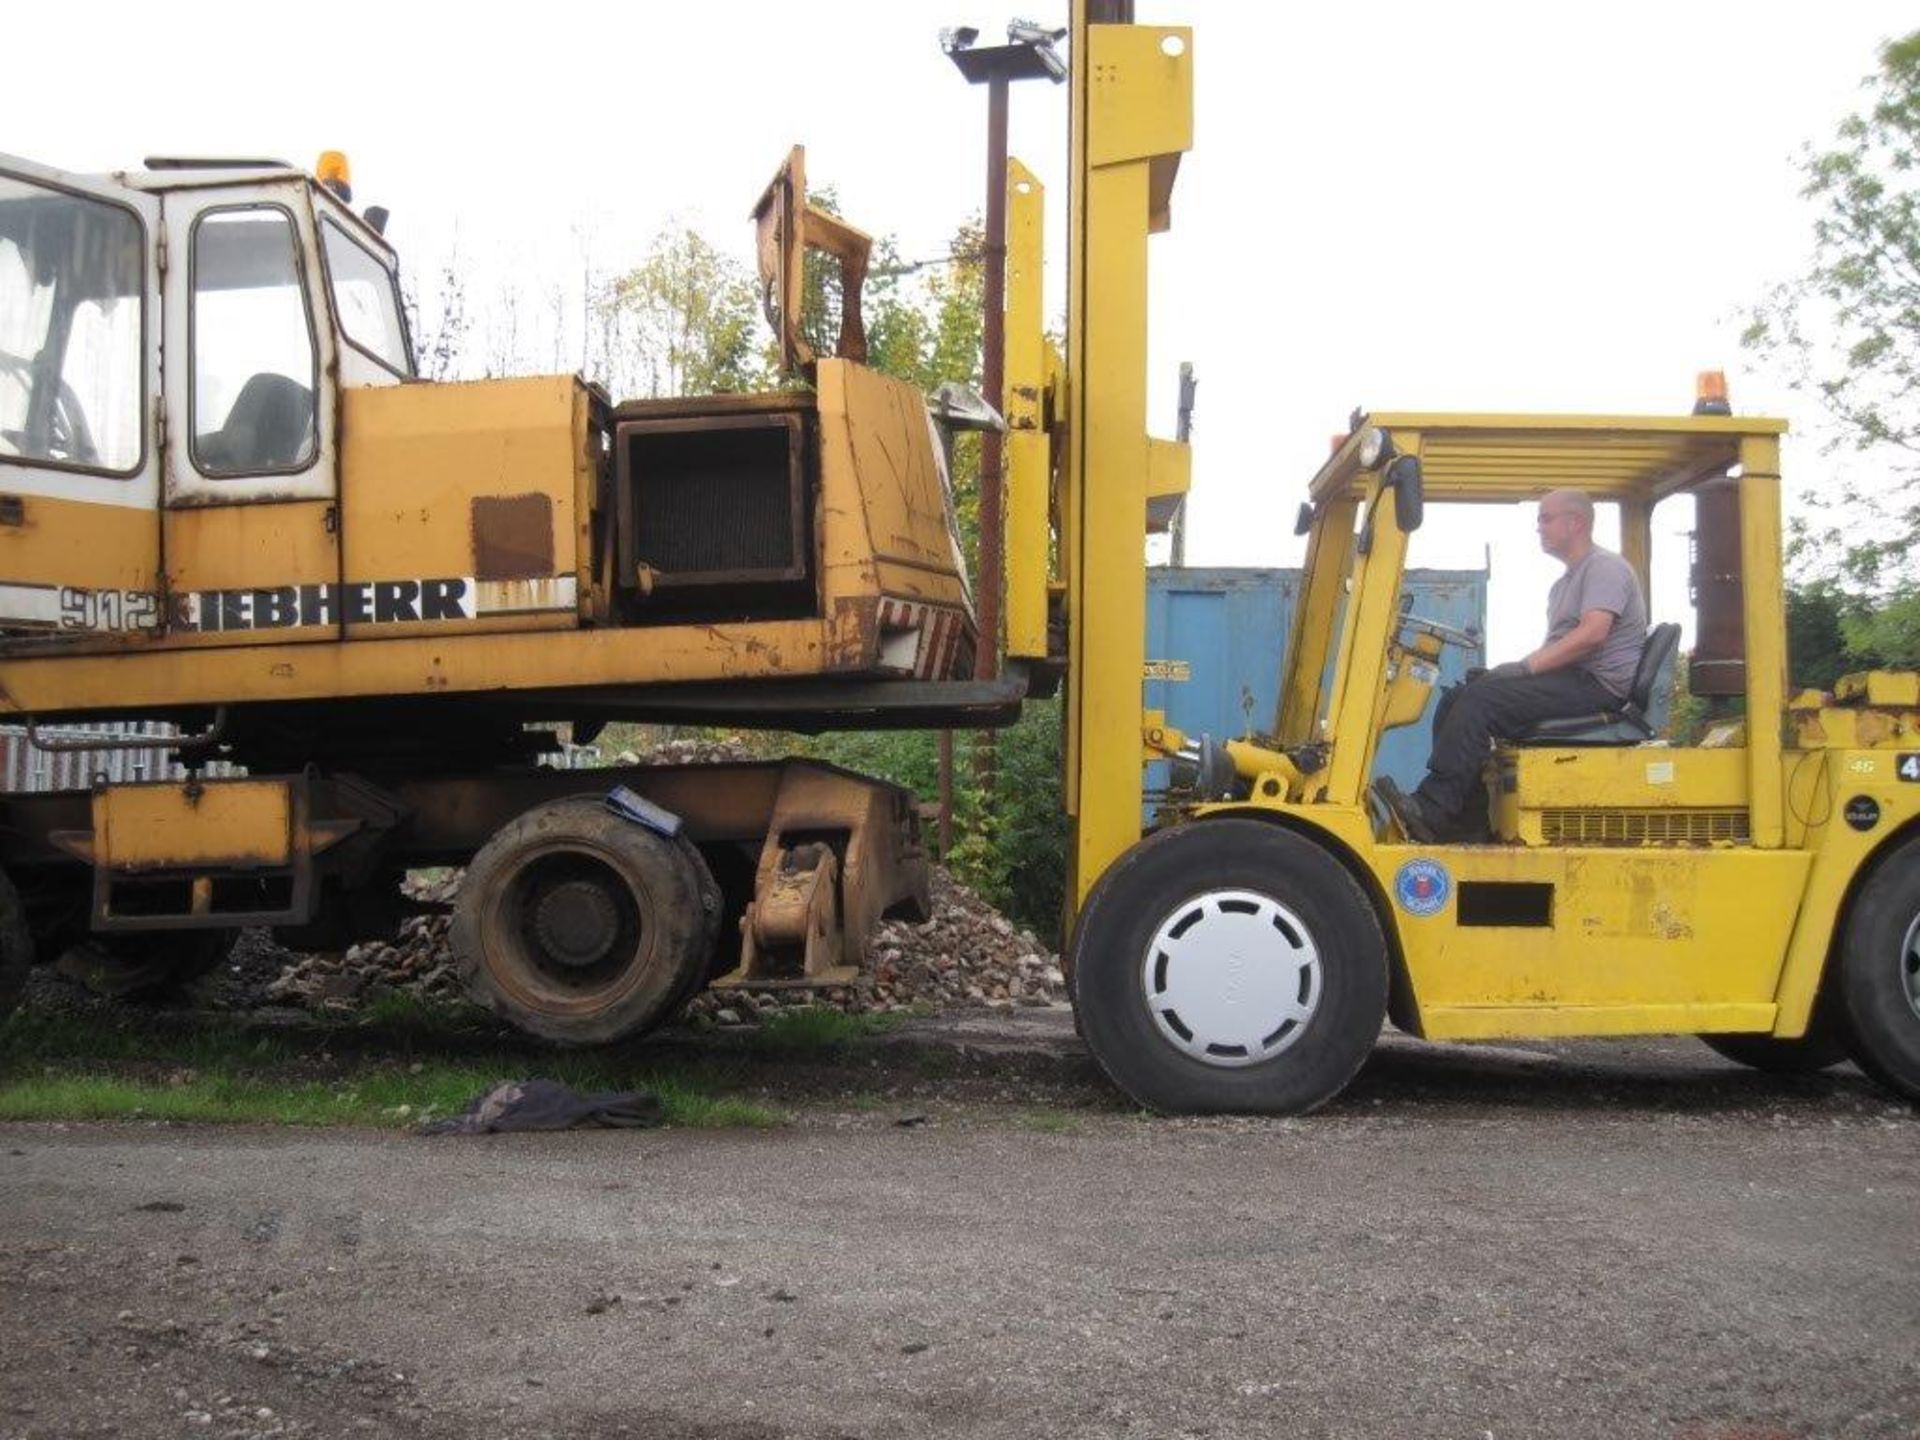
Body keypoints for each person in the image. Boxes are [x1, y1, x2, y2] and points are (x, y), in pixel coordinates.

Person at [1376, 488, 1648, 842]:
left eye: (1546, 518)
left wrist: (1525, 668)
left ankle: (1434, 806)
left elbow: (1592, 634)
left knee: (1482, 699)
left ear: (1576, 522)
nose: (1539, 527)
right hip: (1574, 679)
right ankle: (1464, 820)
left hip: (1598, 687)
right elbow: (1560, 647)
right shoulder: (1565, 583)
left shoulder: (1604, 568)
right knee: (1458, 696)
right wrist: (1512, 671)